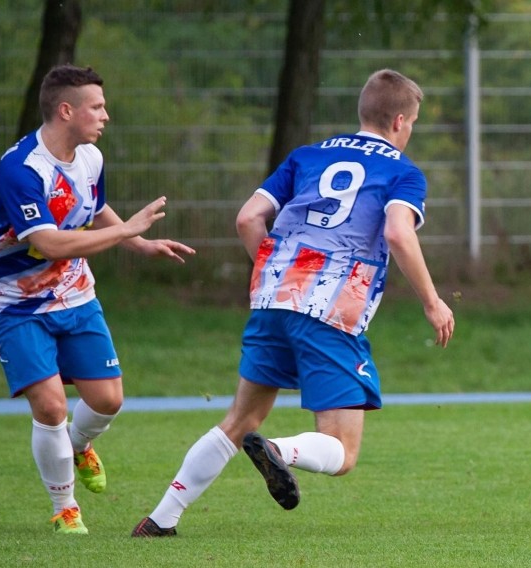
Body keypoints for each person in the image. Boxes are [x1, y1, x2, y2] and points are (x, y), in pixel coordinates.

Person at [132, 68, 455, 537]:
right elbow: (397, 232)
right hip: (330, 310)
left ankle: (161, 519)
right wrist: (432, 301)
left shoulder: (308, 156)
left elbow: (247, 219)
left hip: (272, 296)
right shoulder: (403, 172)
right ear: (401, 122)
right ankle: (280, 452)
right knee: (342, 451)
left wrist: (277, 274)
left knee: (240, 419)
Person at [0, 64, 196, 535]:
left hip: (75, 295)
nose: (105, 115)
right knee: (52, 408)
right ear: (66, 111)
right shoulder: (20, 170)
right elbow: (52, 242)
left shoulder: (90, 158)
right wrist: (129, 230)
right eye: (96, 107)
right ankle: (65, 508)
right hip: (12, 303)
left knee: (107, 400)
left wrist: (138, 244)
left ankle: (79, 446)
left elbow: (94, 208)